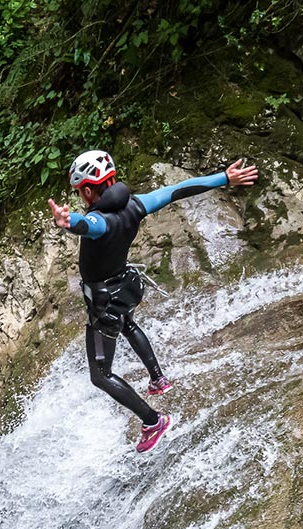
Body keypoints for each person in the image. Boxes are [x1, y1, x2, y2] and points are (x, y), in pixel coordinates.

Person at [48, 150, 258, 451]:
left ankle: (152, 421)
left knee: (101, 375)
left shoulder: (98, 220)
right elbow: (177, 191)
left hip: (105, 301)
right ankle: (158, 378)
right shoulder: (137, 204)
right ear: (113, 180)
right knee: (128, 324)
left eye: (80, 192)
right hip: (127, 286)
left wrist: (68, 222)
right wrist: (224, 178)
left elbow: (86, 225)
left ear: (88, 190)